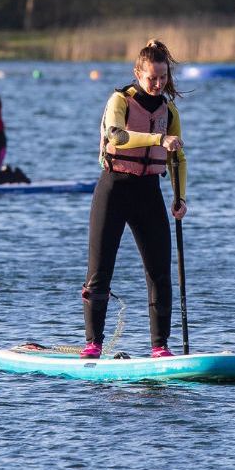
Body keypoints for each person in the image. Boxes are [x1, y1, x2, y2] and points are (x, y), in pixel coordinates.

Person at [80, 39, 187, 358]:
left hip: (148, 191)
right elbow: (116, 135)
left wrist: (180, 197)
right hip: (114, 188)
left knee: (159, 272)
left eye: (163, 78)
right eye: (152, 78)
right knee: (100, 271)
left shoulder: (169, 110)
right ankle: (93, 344)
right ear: (138, 74)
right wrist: (158, 138)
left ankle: (160, 347)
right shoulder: (119, 100)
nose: (158, 84)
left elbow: (178, 157)